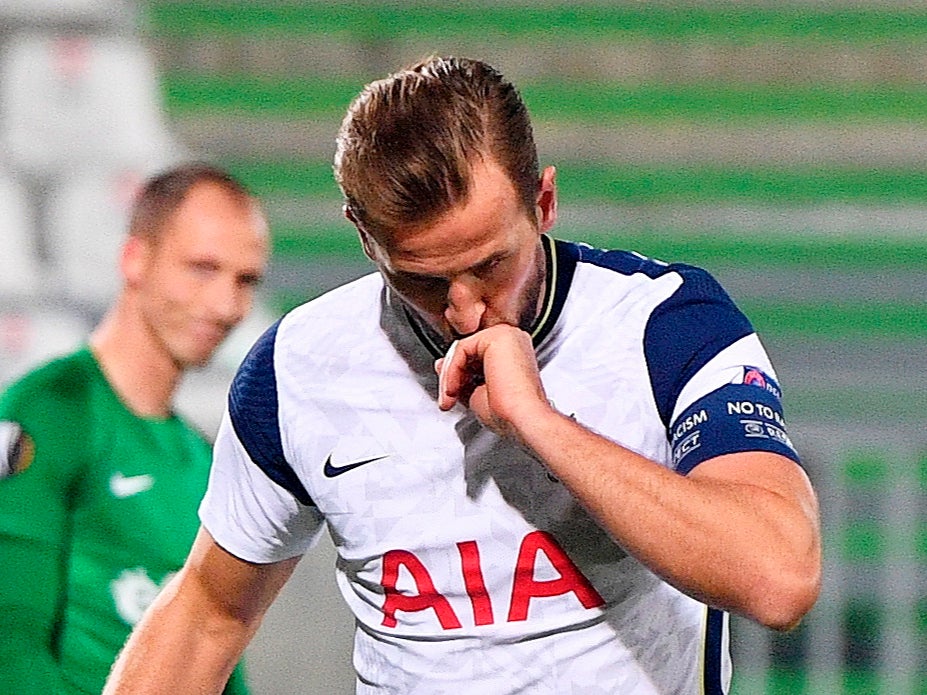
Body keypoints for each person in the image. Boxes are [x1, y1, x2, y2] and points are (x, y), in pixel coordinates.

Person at [104, 57, 821, 695]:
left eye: (490, 265)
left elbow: (777, 576)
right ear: (363, 236)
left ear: (542, 203)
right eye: (422, 280)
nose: (464, 310)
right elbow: (208, 613)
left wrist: (538, 424)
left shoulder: (665, 325)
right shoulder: (296, 368)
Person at [0, 162, 269, 694]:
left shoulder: (202, 458)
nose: (225, 305)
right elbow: (11, 644)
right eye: (202, 268)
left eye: (246, 280)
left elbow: (216, 656)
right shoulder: (50, 411)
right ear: (134, 259)